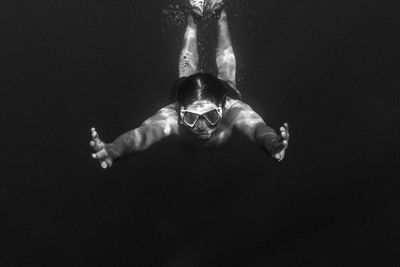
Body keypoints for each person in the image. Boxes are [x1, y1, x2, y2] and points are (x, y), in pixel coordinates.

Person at [90, 0, 290, 169]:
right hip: (187, 89)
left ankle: (219, 15)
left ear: (222, 107)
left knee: (222, 71)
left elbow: (257, 129)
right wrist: (115, 150)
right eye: (192, 118)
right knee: (190, 72)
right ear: (180, 110)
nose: (201, 127)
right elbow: (143, 135)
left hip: (221, 90)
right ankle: (193, 18)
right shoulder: (172, 116)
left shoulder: (235, 110)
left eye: (211, 117)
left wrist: (271, 142)